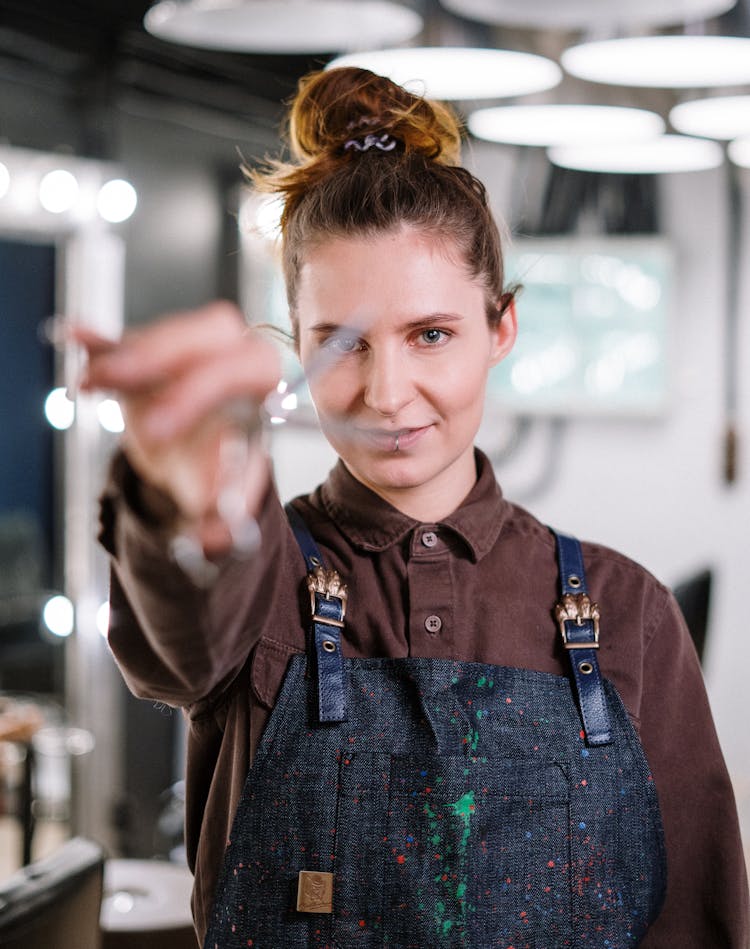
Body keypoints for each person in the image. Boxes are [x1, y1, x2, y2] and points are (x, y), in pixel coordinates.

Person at [82, 67, 748, 948]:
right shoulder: (263, 585)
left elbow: (698, 922)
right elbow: (184, 629)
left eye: (430, 334)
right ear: (294, 337)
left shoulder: (630, 614)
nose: (388, 394)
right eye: (344, 344)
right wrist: (186, 507)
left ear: (501, 327)